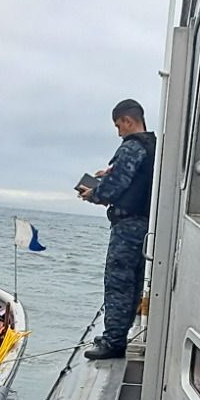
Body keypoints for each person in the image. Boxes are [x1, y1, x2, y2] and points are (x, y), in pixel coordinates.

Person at [78, 98, 156, 360]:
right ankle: (118, 335)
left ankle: (113, 342)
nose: (118, 132)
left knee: (118, 282)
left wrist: (94, 194)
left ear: (128, 121)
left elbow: (116, 187)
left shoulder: (131, 147)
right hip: (147, 225)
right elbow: (135, 180)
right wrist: (107, 176)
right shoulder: (153, 146)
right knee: (133, 283)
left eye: (118, 125)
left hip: (129, 226)